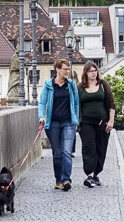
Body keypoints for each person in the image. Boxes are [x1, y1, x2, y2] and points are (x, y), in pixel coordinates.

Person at [38, 59, 79, 192]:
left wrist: (76, 120)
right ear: (57, 69)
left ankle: (66, 179)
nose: (68, 71)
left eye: (68, 69)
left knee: (66, 152)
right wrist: (41, 117)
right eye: (65, 69)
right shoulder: (48, 85)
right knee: (57, 154)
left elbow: (76, 104)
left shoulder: (71, 85)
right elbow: (42, 103)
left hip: (68, 123)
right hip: (53, 123)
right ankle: (58, 180)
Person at [77, 61, 115, 188]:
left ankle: (96, 173)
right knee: (89, 147)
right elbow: (76, 105)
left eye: (95, 71)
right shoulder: (80, 87)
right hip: (86, 122)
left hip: (102, 122)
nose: (94, 73)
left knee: (101, 148)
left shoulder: (103, 85)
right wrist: (77, 122)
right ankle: (90, 174)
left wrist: (111, 121)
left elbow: (111, 104)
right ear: (86, 73)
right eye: (91, 71)